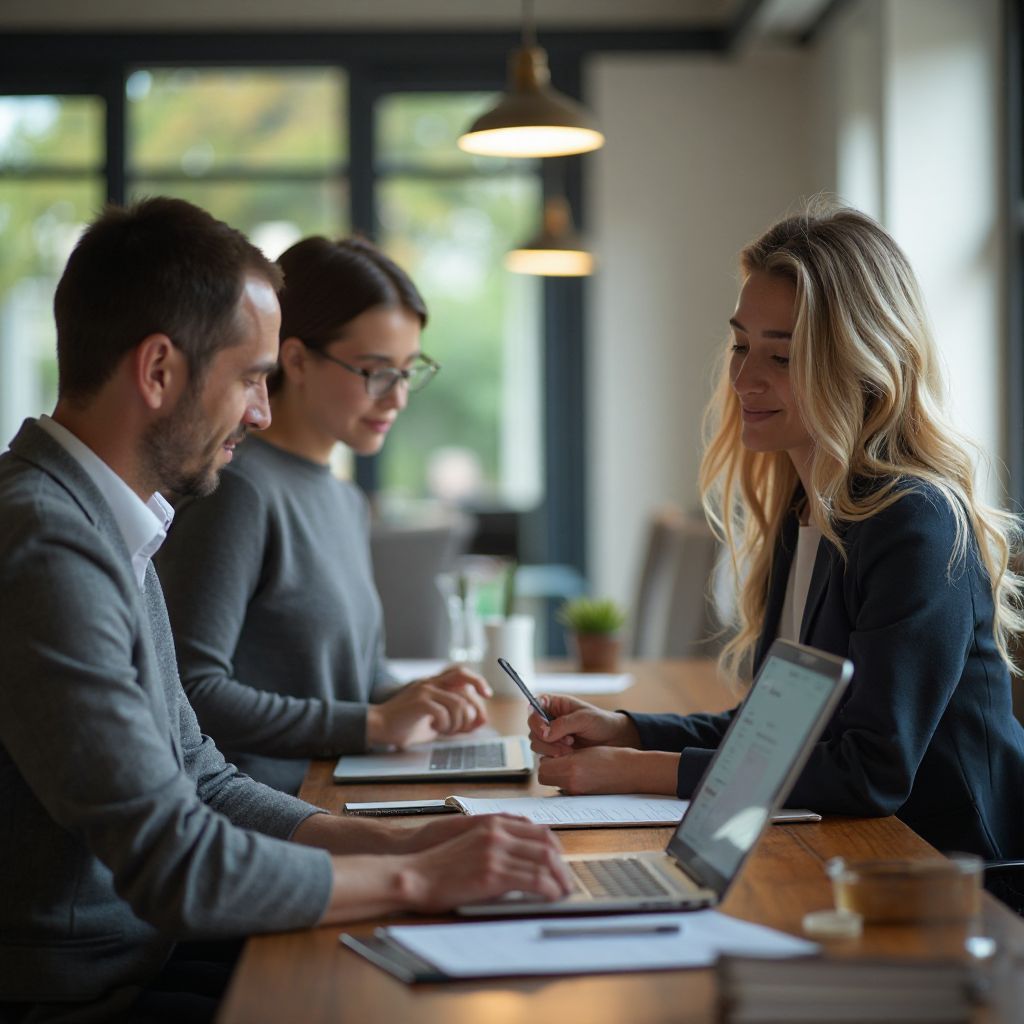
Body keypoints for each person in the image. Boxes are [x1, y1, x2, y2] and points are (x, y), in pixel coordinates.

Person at [0, 197, 569, 1022]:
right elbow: (176, 864)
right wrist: (416, 877)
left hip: (139, 957)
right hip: (88, 995)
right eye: (250, 378)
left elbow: (204, 779)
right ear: (159, 371)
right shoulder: (47, 544)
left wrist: (406, 842)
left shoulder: (110, 523)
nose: (263, 413)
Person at [528, 202, 1024, 860]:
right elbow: (776, 729)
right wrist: (626, 731)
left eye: (782, 356)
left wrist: (635, 771)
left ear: (861, 364)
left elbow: (870, 772)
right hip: (855, 858)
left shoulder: (914, 521)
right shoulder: (808, 508)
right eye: (740, 345)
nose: (743, 379)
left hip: (948, 879)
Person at [154, 235, 488, 796]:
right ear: (297, 359)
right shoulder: (238, 492)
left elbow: (351, 680)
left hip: (336, 789)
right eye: (377, 371)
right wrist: (374, 723)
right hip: (261, 813)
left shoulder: (344, 501)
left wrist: (414, 696)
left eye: (409, 371)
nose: (397, 398)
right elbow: (191, 691)